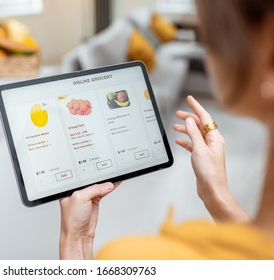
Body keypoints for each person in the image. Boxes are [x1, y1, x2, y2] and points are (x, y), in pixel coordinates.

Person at [59, 0, 274, 260]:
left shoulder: (133, 259)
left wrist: (76, 240)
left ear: (270, 52)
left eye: (208, 37)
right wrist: (216, 194)